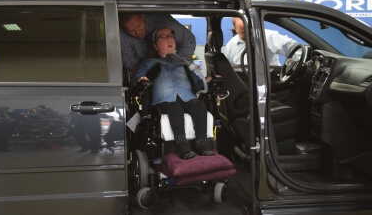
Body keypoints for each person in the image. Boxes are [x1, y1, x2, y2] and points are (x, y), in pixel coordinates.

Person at [131, 27, 214, 160]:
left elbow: (199, 84)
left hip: (187, 99)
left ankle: (202, 144)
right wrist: (142, 80)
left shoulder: (184, 63)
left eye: (171, 35)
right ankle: (182, 145)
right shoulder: (148, 63)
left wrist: (209, 80)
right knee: (174, 107)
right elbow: (134, 83)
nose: (169, 38)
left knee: (199, 105)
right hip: (163, 101)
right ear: (155, 46)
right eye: (163, 37)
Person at [119, 14, 196, 71]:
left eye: (139, 26)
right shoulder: (122, 36)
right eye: (131, 31)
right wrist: (145, 70)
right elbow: (129, 60)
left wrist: (177, 65)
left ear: (143, 17)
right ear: (155, 46)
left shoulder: (167, 24)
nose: (137, 32)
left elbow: (189, 41)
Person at [225, 17, 298, 65]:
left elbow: (291, 47)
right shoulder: (231, 46)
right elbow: (228, 69)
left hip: (270, 81)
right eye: (243, 32)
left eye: (249, 30)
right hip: (244, 84)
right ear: (235, 28)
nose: (247, 33)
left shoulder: (268, 36)